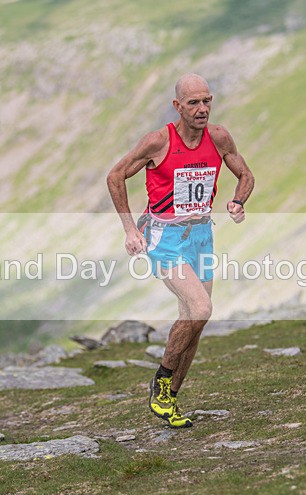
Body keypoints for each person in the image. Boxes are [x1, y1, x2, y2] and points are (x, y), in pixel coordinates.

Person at [106, 73, 255, 428]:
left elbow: (246, 175)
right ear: (178, 106)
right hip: (164, 238)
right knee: (201, 307)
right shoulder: (158, 142)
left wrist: (237, 202)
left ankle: (169, 401)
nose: (202, 109)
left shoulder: (219, 137)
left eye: (207, 101)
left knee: (195, 322)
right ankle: (161, 382)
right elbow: (115, 176)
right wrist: (129, 228)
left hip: (202, 236)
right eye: (193, 103)